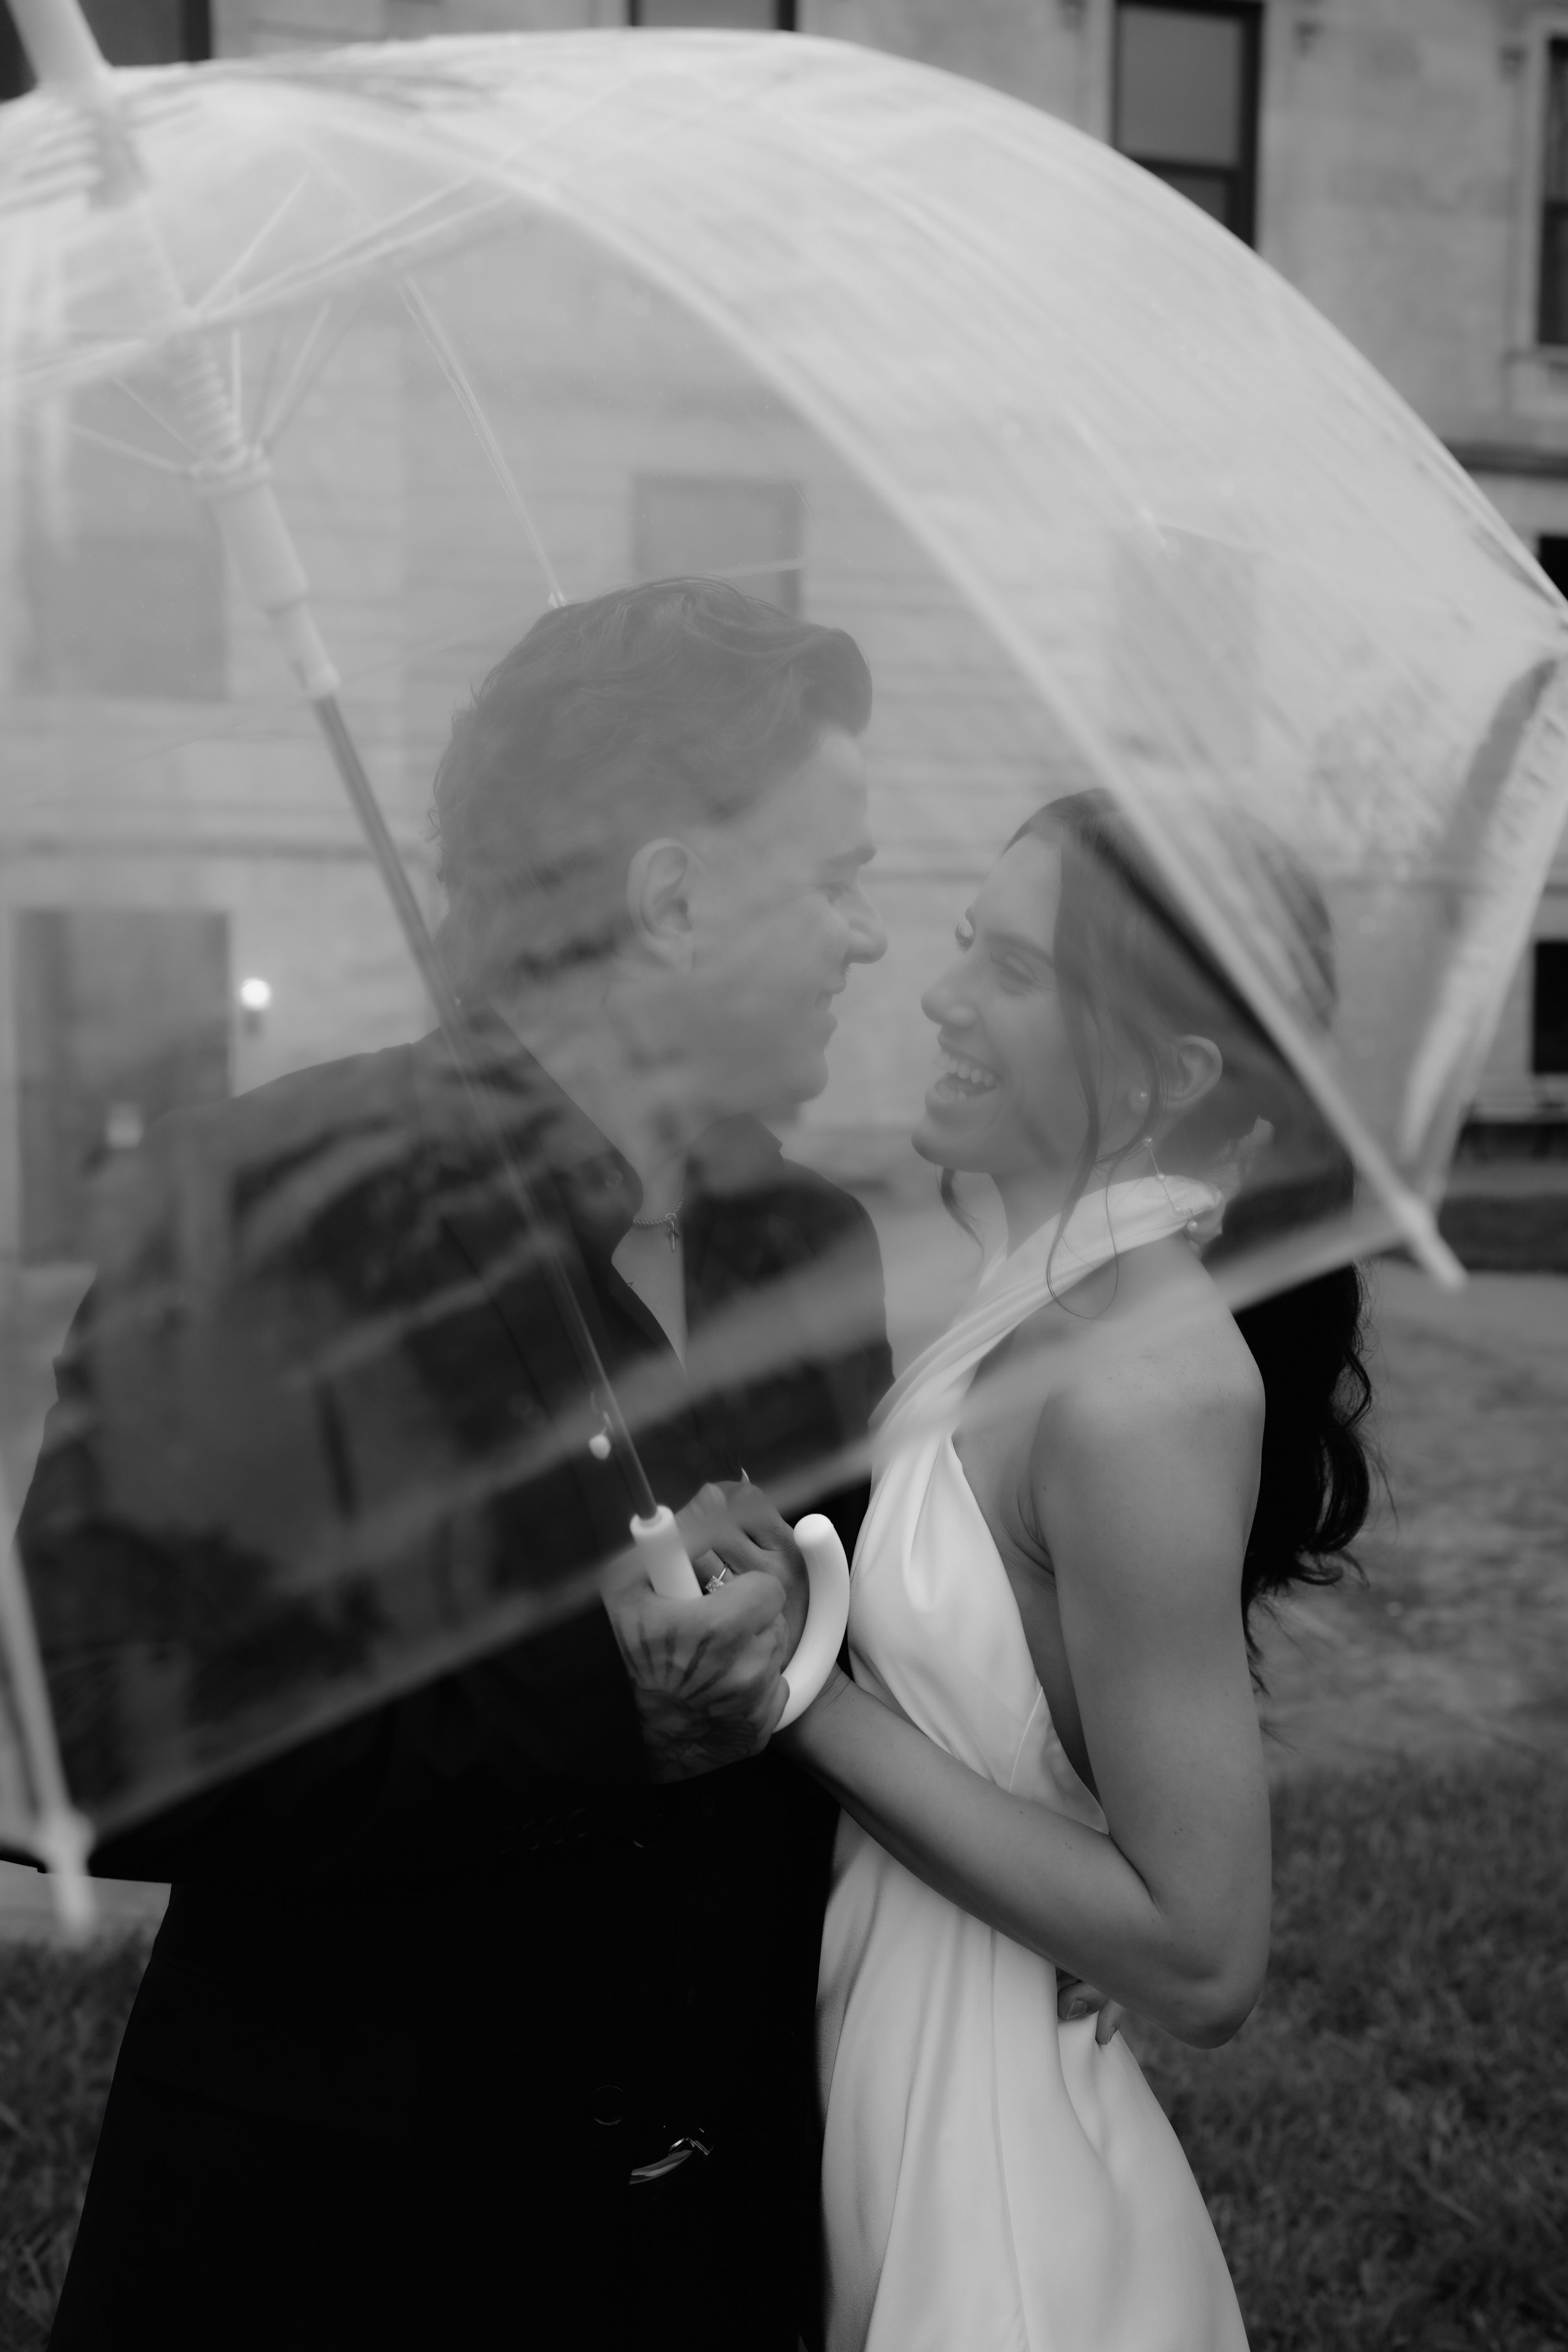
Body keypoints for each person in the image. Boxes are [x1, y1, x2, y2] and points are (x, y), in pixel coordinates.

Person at [20, 580, 892, 2352]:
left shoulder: (808, 1246)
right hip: (339, 2250)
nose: (865, 939)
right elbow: (80, 1731)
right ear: (672, 897)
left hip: (720, 2248)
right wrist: (581, 1703)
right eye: (835, 879)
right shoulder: (265, 1208)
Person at [782, 790, 1374, 2351]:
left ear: (1168, 1075)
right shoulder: (1029, 1315)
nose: (938, 991)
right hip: (893, 2024)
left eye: (1014, 970)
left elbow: (1199, 1952)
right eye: (967, 942)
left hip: (986, 2140)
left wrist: (793, 1698)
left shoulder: (1142, 1384)